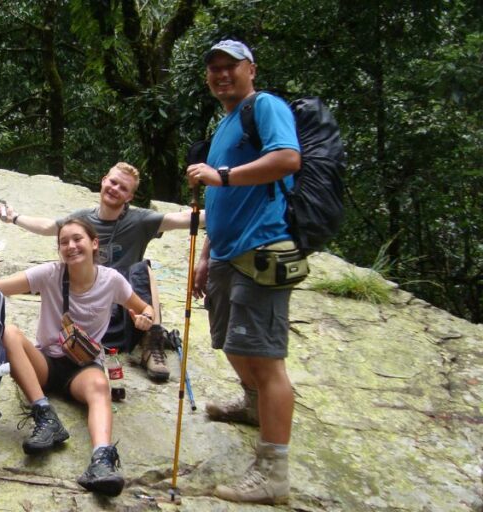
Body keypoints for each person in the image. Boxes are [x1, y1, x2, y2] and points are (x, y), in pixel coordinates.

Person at [0, 218, 155, 496]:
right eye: (63, 242)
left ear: (94, 243)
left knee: (99, 387)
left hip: (84, 368)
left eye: (77, 239)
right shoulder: (51, 273)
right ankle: (45, 416)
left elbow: (144, 308)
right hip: (45, 363)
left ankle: (102, 459)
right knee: (9, 333)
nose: (70, 246)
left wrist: (145, 318)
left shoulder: (112, 280)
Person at [186, 39, 301, 505]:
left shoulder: (265, 106)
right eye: (213, 68)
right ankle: (254, 406)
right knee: (231, 341)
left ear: (251, 69)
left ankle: (273, 471)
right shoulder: (226, 124)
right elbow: (221, 198)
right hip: (229, 252)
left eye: (229, 67)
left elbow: (288, 159)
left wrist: (224, 175)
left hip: (263, 248)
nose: (220, 75)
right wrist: (207, 252)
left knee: (265, 357)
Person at [0, 163, 202, 382]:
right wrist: (14, 218)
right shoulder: (82, 221)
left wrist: (231, 202)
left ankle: (152, 342)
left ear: (130, 197)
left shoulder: (140, 220)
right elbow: (49, 227)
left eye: (123, 188)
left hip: (125, 316)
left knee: (143, 269)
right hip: (88, 325)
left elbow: (182, 220)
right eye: (113, 182)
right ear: (104, 180)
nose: (115, 189)